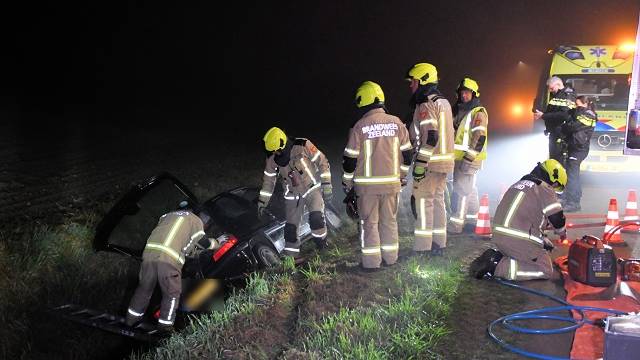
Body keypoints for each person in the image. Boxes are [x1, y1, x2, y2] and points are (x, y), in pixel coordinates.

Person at [342, 81, 413, 270]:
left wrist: (347, 183)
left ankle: (371, 264)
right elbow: (407, 154)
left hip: (367, 189)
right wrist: (402, 176)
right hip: (391, 186)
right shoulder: (397, 123)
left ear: (362, 101)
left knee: (369, 224)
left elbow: (349, 159)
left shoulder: (360, 126)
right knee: (389, 222)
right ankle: (391, 259)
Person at [469, 159, 567, 281]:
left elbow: (526, 217)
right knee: (545, 268)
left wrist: (542, 239)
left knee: (535, 254)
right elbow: (557, 219)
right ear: (553, 178)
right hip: (517, 239)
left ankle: (497, 257)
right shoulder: (544, 188)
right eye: (556, 186)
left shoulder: (519, 184)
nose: (554, 189)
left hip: (500, 236)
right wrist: (562, 232)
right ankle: (496, 265)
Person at [125, 201, 206, 332]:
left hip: (149, 255)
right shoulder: (195, 220)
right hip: (169, 260)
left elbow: (175, 239)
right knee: (172, 294)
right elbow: (204, 242)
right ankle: (165, 327)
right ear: (196, 211)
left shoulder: (166, 216)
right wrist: (217, 243)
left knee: (144, 289)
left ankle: (130, 320)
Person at [258, 127, 332, 258]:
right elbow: (268, 182)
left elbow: (323, 162)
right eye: (273, 152)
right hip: (292, 195)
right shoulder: (271, 159)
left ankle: (322, 246)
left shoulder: (303, 145)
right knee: (290, 230)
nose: (276, 154)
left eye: (277, 150)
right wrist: (262, 202)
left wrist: (327, 184)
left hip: (312, 188)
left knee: (316, 219)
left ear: (283, 143)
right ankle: (292, 259)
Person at [405, 63, 455, 255]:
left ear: (422, 80)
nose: (411, 86)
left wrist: (420, 164)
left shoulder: (426, 103)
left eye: (413, 81)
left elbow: (431, 137)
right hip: (444, 163)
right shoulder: (444, 102)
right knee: (438, 202)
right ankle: (439, 244)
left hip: (430, 164)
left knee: (424, 204)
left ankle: (423, 248)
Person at [448, 77, 488, 233]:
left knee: (461, 190)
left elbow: (480, 137)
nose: (463, 96)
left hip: (469, 158)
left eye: (467, 93)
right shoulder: (458, 111)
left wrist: (468, 158)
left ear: (474, 94)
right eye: (461, 93)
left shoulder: (478, 112)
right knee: (469, 189)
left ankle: (457, 225)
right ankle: (473, 220)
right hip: (460, 157)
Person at [561, 95, 597, 212]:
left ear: (585, 104)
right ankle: (569, 199)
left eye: (578, 105)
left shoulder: (589, 115)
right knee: (570, 174)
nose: (576, 107)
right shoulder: (580, 113)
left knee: (572, 176)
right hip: (574, 147)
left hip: (579, 149)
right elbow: (568, 125)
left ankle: (574, 203)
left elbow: (572, 127)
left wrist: (567, 125)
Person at [533, 76, 576, 163]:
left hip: (561, 133)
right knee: (553, 159)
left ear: (558, 84)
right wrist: (541, 113)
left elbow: (564, 115)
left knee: (557, 161)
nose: (550, 90)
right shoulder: (557, 95)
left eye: (551, 88)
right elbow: (553, 111)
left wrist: (544, 116)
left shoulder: (567, 95)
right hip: (554, 132)